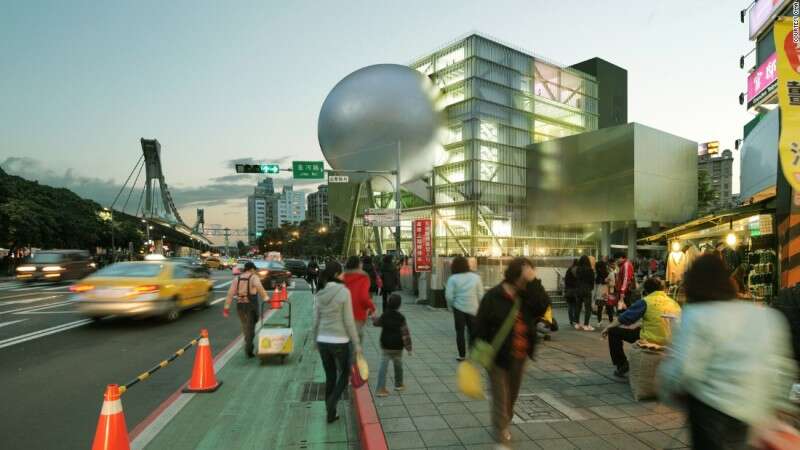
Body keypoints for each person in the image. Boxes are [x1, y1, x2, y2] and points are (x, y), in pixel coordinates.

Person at [658, 254, 798, 450]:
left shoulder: (696, 316)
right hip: (754, 408)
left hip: (713, 412)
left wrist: (667, 389)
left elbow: (685, 369)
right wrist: (779, 405)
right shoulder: (764, 315)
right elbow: (781, 366)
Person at [474, 257, 539, 447]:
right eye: (525, 276)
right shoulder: (493, 296)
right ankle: (501, 437)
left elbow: (542, 305)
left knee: (511, 397)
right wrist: (477, 351)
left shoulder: (527, 296)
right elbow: (479, 325)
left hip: (520, 356)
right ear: (516, 275)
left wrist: (534, 281)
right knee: (500, 398)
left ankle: (503, 423)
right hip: (497, 357)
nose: (527, 280)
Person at [312, 261, 362, 423]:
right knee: (345, 374)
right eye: (341, 273)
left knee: (330, 376)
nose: (343, 275)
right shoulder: (344, 292)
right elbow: (348, 321)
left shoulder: (320, 293)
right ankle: (332, 401)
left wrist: (315, 340)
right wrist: (356, 343)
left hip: (323, 340)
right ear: (336, 275)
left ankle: (331, 413)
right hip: (340, 340)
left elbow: (316, 320)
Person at [601, 276, 681, 377]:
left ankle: (622, 364)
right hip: (672, 340)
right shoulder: (673, 303)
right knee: (639, 328)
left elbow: (624, 318)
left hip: (651, 339)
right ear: (662, 289)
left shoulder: (646, 301)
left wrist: (608, 327)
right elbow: (662, 320)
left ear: (646, 291)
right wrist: (641, 324)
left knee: (613, 331)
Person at [222, 261, 270, 358]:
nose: (255, 271)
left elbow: (230, 293)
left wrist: (226, 307)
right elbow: (260, 288)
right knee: (250, 328)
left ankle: (248, 344)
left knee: (245, 326)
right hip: (250, 306)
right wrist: (266, 299)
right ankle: (249, 350)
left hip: (240, 306)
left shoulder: (237, 278)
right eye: (254, 269)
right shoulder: (253, 277)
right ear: (251, 269)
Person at [445, 256, 484, 361]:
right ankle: (473, 355)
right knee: (473, 332)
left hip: (459, 309)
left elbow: (449, 296)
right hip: (474, 309)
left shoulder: (453, 278)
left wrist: (451, 306)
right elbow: (481, 295)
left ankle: (461, 355)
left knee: (460, 332)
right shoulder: (476, 277)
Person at [372, 293, 412, 397]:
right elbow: (405, 334)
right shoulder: (401, 317)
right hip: (398, 347)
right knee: (398, 365)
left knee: (383, 366)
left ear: (388, 303)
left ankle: (380, 389)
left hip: (385, 345)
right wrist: (409, 348)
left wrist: (374, 318)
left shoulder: (385, 315)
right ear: (399, 305)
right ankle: (399, 384)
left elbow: (376, 323)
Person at [343, 256, 376, 344]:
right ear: (358, 265)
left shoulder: (342, 277)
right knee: (355, 345)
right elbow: (363, 297)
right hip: (357, 315)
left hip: (342, 315)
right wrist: (372, 308)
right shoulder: (363, 277)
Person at [574, 255, 596, 331]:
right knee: (588, 308)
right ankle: (586, 325)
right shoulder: (590, 270)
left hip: (578, 289)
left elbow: (576, 280)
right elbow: (592, 281)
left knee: (578, 307)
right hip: (587, 289)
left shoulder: (578, 269)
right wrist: (590, 288)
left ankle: (577, 324)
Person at [594, 260, 616, 326]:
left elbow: (613, 284)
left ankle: (603, 321)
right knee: (606, 308)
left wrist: (607, 282)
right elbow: (613, 284)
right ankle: (605, 321)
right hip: (603, 293)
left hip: (604, 293)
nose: (598, 269)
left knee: (604, 308)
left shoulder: (609, 274)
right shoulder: (605, 274)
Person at [564, 259, 579, 328]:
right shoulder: (577, 270)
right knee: (575, 306)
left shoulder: (568, 270)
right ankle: (575, 320)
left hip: (568, 290)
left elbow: (566, 280)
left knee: (570, 306)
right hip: (575, 290)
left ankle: (571, 320)